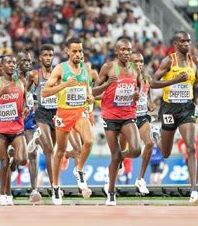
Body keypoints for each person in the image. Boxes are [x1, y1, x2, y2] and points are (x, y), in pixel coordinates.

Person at [151, 31, 198, 204]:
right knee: (166, 153)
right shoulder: (169, 61)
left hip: (187, 109)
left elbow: (192, 82)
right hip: (169, 109)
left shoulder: (194, 60)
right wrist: (173, 81)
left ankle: (194, 191)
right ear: (175, 43)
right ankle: (157, 138)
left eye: (189, 41)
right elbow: (153, 83)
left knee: (191, 147)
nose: (186, 44)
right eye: (182, 41)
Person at [41, 37, 94, 205]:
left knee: (89, 141)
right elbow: (44, 93)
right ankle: (55, 187)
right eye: (75, 51)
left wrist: (89, 96)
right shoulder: (60, 69)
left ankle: (78, 170)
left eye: (80, 51)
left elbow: (86, 88)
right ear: (68, 52)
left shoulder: (85, 68)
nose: (78, 54)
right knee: (60, 151)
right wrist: (64, 85)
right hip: (64, 113)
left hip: (80, 111)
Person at [93, 39, 142, 206]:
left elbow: (139, 87)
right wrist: (107, 84)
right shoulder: (108, 67)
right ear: (116, 51)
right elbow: (92, 91)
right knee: (115, 156)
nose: (126, 53)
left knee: (135, 150)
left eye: (129, 50)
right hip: (110, 116)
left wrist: (136, 96)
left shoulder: (135, 68)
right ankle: (111, 193)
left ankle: (118, 158)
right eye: (123, 50)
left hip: (128, 115)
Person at [0, 55, 28, 206]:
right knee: (3, 162)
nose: (12, 65)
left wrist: (25, 109)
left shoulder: (21, 82)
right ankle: (3, 195)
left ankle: (14, 159)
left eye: (14, 62)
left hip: (17, 127)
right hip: (0, 129)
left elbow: (25, 102)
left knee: (22, 159)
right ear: (2, 66)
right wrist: (0, 94)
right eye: (8, 62)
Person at [26, 44, 57, 197]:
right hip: (41, 114)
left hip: (57, 114)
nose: (48, 58)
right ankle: (54, 188)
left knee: (51, 151)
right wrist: (28, 104)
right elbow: (24, 92)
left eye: (50, 55)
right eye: (45, 55)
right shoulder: (34, 74)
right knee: (50, 150)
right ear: (40, 57)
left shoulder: (59, 72)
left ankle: (36, 141)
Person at [130, 52, 157, 194]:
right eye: (136, 61)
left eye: (141, 61)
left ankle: (140, 179)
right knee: (131, 151)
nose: (139, 64)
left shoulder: (147, 78)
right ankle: (114, 172)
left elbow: (148, 94)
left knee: (150, 143)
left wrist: (150, 104)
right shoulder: (124, 79)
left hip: (142, 116)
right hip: (126, 118)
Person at [18, 51, 43, 203]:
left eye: (28, 60)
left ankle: (34, 190)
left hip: (31, 118)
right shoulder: (13, 78)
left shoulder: (36, 77)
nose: (26, 62)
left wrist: (35, 104)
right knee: (16, 158)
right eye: (23, 60)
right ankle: (5, 192)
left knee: (33, 153)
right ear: (17, 62)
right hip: (14, 118)